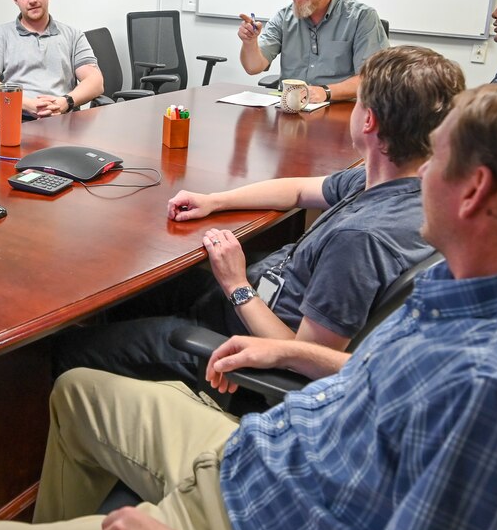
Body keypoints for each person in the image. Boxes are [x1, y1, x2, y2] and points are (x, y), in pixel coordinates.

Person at [0, 82, 497, 530]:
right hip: (269, 459)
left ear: (475, 190)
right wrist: (289, 349)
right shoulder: (493, 289)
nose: (417, 176)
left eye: (438, 158)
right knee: (80, 390)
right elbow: (389, 385)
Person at [53, 46, 462, 390]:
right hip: (258, 296)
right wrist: (215, 200)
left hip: (240, 348)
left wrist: (237, 285)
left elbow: (303, 359)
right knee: (140, 292)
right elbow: (299, 190)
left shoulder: (360, 240)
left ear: (368, 120)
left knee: (70, 350)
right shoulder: (402, 184)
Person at [238, 0, 388, 103]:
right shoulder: (284, 17)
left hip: (339, 111)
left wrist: (326, 92)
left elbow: (371, 78)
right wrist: (250, 43)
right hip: (291, 111)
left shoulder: (361, 17)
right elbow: (253, 67)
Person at [0, 0, 104, 118]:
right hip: (16, 120)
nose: (32, 0)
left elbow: (95, 81)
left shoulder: (73, 35)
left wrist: (65, 102)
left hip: (64, 119)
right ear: (15, 0)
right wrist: (28, 104)